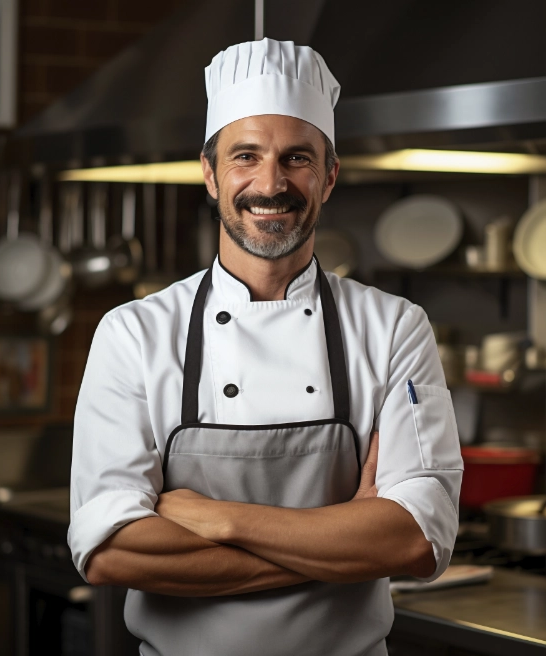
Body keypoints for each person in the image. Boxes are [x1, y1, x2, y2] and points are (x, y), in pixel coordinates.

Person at [69, 38, 463, 656]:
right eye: (245, 155)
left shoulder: (393, 327)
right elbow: (109, 550)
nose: (270, 184)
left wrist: (224, 519)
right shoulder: (134, 333)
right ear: (209, 174)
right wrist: (343, 545)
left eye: (297, 158)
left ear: (329, 177)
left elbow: (418, 539)